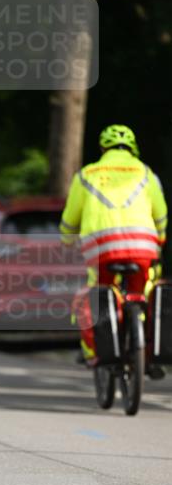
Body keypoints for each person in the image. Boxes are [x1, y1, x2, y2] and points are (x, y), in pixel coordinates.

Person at [60, 124, 167, 365]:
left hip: (100, 250)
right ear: (133, 147)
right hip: (143, 247)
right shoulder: (146, 173)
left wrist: (67, 241)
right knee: (142, 293)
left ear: (102, 148)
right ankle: (147, 351)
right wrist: (159, 239)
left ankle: (96, 350)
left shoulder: (86, 174)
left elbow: (70, 218)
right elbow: (161, 214)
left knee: (97, 294)